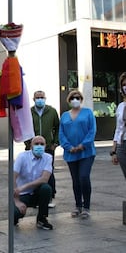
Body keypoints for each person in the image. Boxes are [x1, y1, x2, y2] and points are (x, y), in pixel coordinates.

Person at [59, 90, 96, 219]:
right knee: (75, 180)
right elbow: (61, 134)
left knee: (84, 177)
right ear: (69, 100)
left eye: (78, 97)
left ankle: (86, 207)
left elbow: (92, 130)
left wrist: (82, 145)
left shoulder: (88, 113)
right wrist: (69, 147)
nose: (75, 99)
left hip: (86, 152)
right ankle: (78, 206)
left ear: (81, 99)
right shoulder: (64, 116)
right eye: (73, 97)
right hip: (71, 153)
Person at [24, 90, 60, 207]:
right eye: (37, 97)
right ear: (34, 100)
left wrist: (55, 142)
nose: (40, 99)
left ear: (45, 98)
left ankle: (49, 197)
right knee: (33, 171)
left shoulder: (52, 111)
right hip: (32, 147)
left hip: (48, 146)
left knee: (48, 171)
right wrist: (28, 143)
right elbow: (25, 127)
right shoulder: (29, 112)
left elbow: (58, 127)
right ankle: (34, 196)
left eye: (42, 97)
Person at [14, 135, 53, 230]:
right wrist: (17, 201)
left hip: (36, 192)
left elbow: (44, 179)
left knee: (46, 188)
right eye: (36, 144)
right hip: (21, 194)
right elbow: (12, 177)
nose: (39, 146)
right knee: (14, 214)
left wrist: (25, 186)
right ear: (31, 146)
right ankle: (16, 216)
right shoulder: (22, 157)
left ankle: (42, 218)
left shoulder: (48, 157)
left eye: (42, 144)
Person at [111, 72, 126, 177]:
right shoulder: (121, 106)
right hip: (122, 145)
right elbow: (118, 129)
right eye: (124, 85)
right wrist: (114, 151)